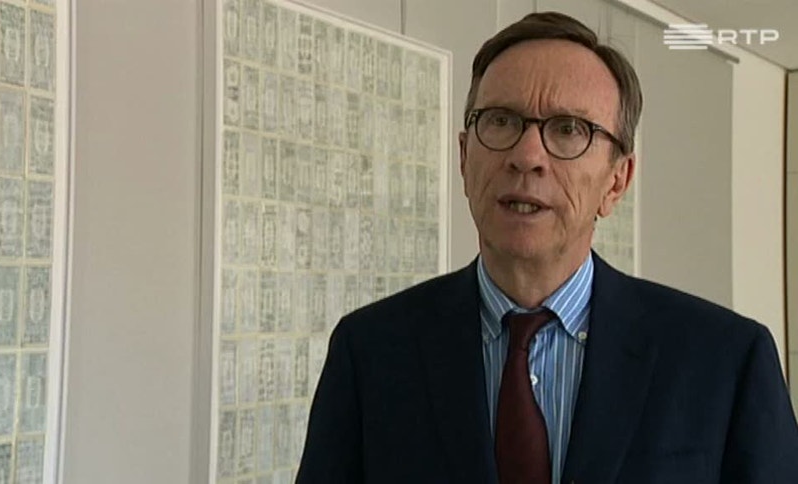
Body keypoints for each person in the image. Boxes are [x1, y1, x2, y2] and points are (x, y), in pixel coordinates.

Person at [295, 11, 798, 484]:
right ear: (464, 157)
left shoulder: (725, 361)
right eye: (501, 121)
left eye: (569, 129)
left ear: (617, 181)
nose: (527, 155)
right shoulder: (371, 350)